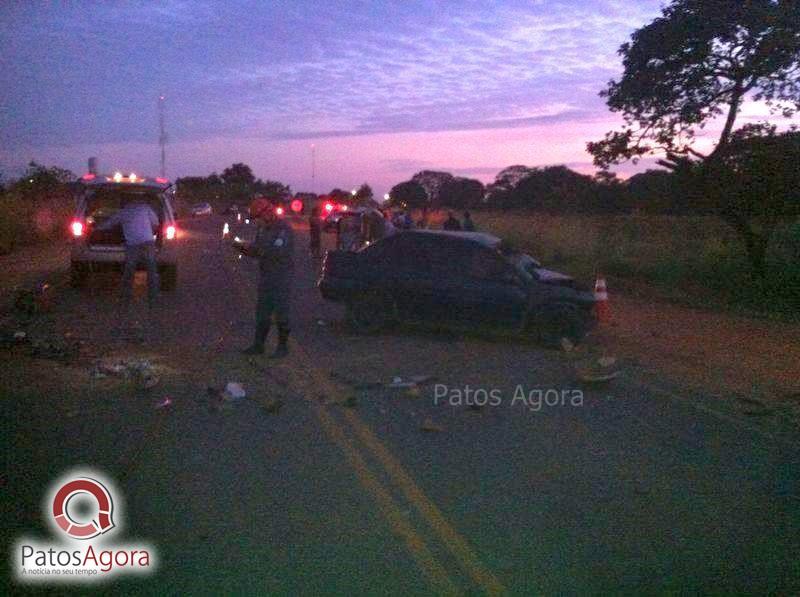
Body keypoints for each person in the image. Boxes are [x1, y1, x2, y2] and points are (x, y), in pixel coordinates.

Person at [236, 198, 295, 358]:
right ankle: (258, 345)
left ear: (267, 213)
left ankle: (282, 347)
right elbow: (257, 250)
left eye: (259, 218)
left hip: (281, 276)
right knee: (262, 312)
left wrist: (258, 251)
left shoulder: (283, 230)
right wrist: (243, 249)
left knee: (281, 312)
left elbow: (277, 252)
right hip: (266, 276)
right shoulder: (263, 229)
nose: (258, 222)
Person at [95, 194, 160, 306]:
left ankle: (126, 297)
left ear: (124, 202)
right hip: (148, 241)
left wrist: (95, 228)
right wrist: (151, 231)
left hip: (133, 243)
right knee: (151, 268)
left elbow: (108, 225)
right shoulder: (145, 207)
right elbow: (156, 223)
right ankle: (153, 298)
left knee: (130, 268)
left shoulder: (123, 212)